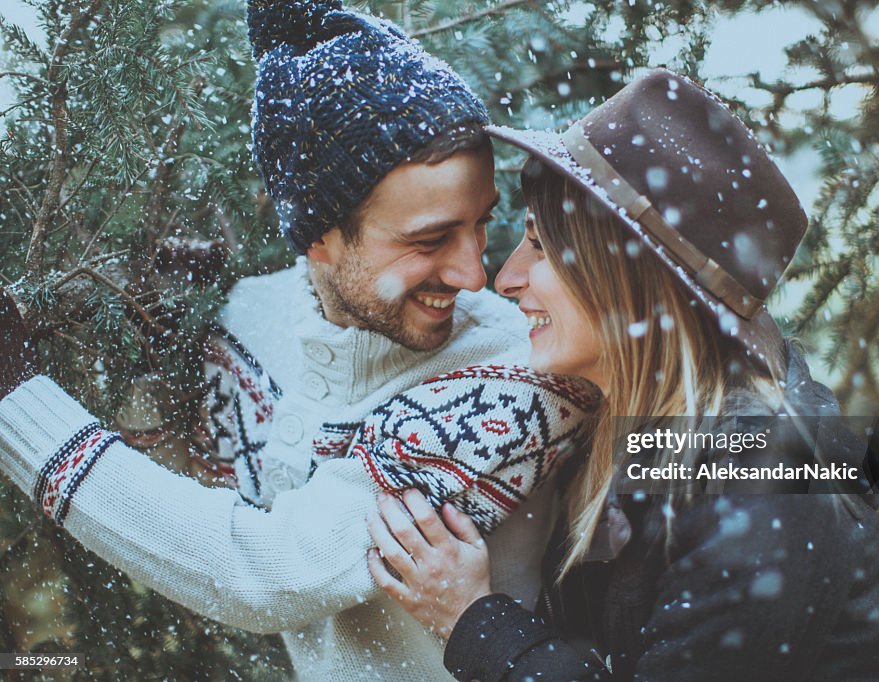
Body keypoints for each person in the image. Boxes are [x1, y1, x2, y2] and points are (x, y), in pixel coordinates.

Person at [0, 3, 597, 681]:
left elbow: (266, 572)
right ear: (316, 235)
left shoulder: (521, 375)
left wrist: (17, 404)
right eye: (430, 240)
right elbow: (179, 502)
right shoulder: (246, 318)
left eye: (480, 224)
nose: (474, 273)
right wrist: (166, 356)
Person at [365, 69, 879, 680]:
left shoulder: (764, 491)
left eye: (541, 246)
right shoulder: (629, 421)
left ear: (633, 285)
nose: (505, 278)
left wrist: (473, 621)